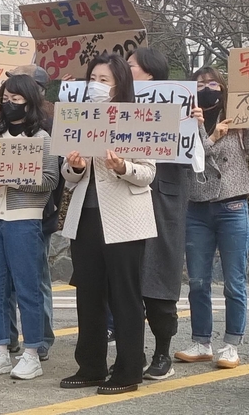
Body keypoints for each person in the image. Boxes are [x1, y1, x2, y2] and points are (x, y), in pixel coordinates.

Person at [59, 53, 156, 395]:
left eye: (104, 80)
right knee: (88, 293)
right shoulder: (79, 118)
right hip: (86, 216)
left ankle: (129, 370)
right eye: (92, 79)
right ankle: (91, 366)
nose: (95, 86)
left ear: (119, 85)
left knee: (125, 295)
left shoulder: (136, 119)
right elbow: (68, 176)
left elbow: (148, 172)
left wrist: (121, 167)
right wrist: (75, 165)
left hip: (125, 218)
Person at [0, 74, 59, 381]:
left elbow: (50, 181)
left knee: (28, 287)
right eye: (6, 98)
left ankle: (33, 352)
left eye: (17, 99)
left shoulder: (41, 138)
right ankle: (0, 349)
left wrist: (9, 179)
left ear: (31, 101)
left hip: (24, 219)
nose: (9, 104)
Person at [174, 66, 249, 371]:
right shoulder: (187, 121)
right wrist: (210, 134)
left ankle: (231, 344)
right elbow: (189, 158)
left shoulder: (241, 123)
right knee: (198, 281)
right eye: (201, 84)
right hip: (197, 206)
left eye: (213, 84)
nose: (207, 88)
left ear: (224, 87)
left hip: (233, 206)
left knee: (234, 280)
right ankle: (201, 341)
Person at [126, 48, 192, 379]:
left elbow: (197, 158)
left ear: (149, 74)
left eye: (131, 66)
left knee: (159, 280)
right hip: (126, 198)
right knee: (127, 282)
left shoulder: (179, 106)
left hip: (163, 200)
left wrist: (195, 125)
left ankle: (162, 353)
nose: (126, 70)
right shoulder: (119, 103)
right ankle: (132, 352)